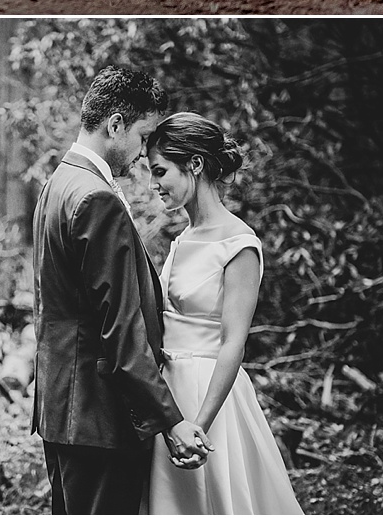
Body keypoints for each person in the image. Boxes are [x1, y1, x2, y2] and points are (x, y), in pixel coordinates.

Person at [32, 66, 210, 515]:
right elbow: (122, 329)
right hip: (98, 417)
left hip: (63, 411)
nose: (144, 151)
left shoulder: (59, 183)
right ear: (115, 124)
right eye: (143, 134)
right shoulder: (96, 198)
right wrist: (170, 423)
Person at [146, 113, 303, 515]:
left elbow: (234, 341)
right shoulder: (181, 239)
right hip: (170, 397)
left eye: (160, 171)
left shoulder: (239, 244)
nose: (154, 183)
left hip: (208, 396)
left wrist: (199, 423)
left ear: (194, 165)